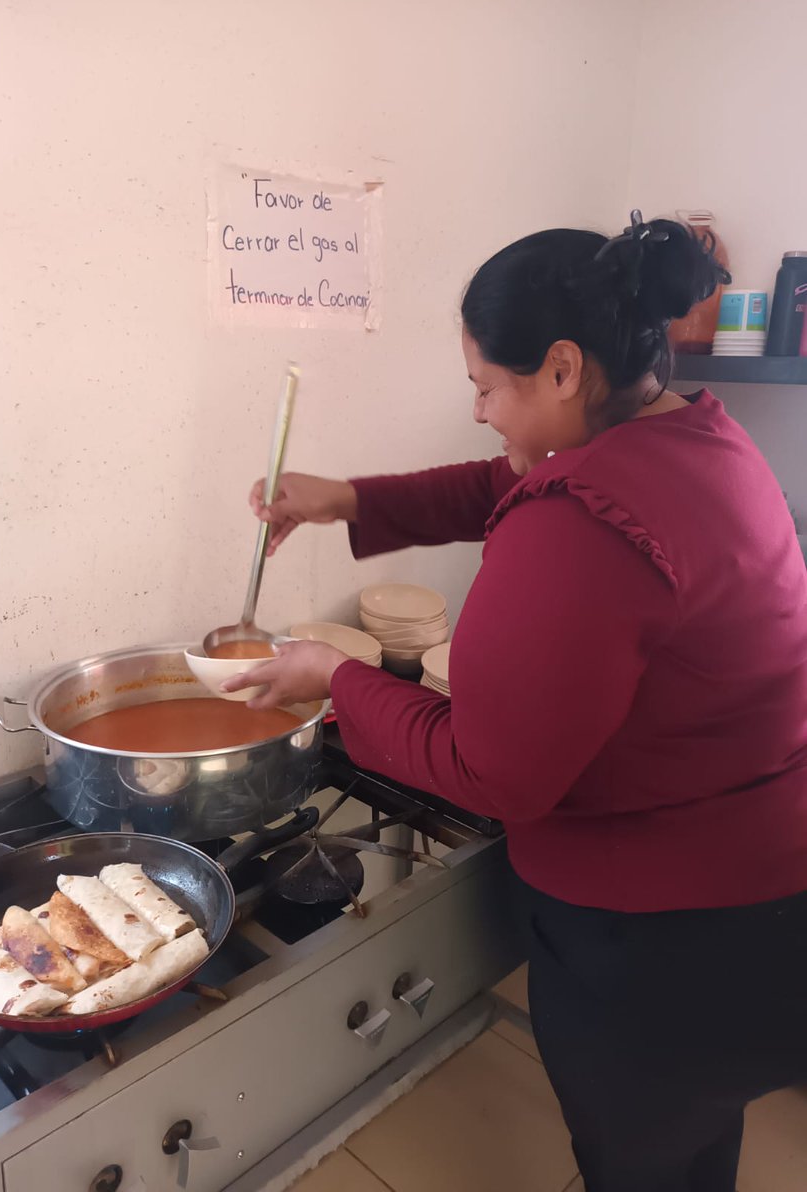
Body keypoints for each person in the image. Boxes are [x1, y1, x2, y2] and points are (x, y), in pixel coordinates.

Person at [223, 212, 807, 1192]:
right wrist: (350, 499)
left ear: (564, 368)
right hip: (770, 903)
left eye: (487, 386)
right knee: (694, 1147)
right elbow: (513, 479)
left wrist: (335, 678)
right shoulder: (700, 437)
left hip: (663, 950)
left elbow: (490, 771)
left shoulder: (581, 526)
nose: (481, 411)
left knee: (643, 1164)